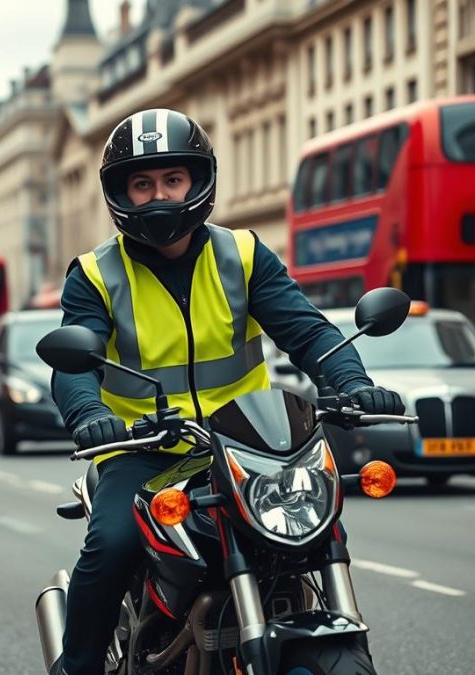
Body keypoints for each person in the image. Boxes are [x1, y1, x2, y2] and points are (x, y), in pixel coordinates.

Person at [51, 109, 403, 675]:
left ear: (198, 182)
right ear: (121, 193)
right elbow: (73, 364)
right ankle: (79, 667)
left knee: (316, 530)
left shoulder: (242, 255)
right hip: (144, 452)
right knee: (111, 544)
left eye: (172, 180)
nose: (158, 196)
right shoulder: (94, 274)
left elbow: (307, 331)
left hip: (249, 446)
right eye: (142, 184)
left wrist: (353, 383)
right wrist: (90, 413)